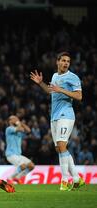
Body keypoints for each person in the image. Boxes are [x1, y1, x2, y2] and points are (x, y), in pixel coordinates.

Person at [30, 51, 85, 191]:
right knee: (59, 148)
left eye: (68, 61)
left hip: (66, 114)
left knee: (61, 145)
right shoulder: (55, 76)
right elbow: (50, 91)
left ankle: (65, 180)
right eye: (64, 60)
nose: (66, 63)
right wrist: (41, 83)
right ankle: (77, 178)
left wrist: (61, 90)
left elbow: (79, 96)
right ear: (57, 62)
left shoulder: (72, 77)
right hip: (54, 116)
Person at [5, 115, 35, 184]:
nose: (16, 119)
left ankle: (17, 178)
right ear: (10, 121)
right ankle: (10, 178)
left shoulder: (18, 130)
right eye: (14, 119)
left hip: (18, 155)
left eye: (17, 118)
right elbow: (20, 129)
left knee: (31, 166)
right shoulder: (9, 129)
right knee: (23, 166)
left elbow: (28, 130)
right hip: (11, 154)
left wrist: (21, 123)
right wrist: (19, 124)